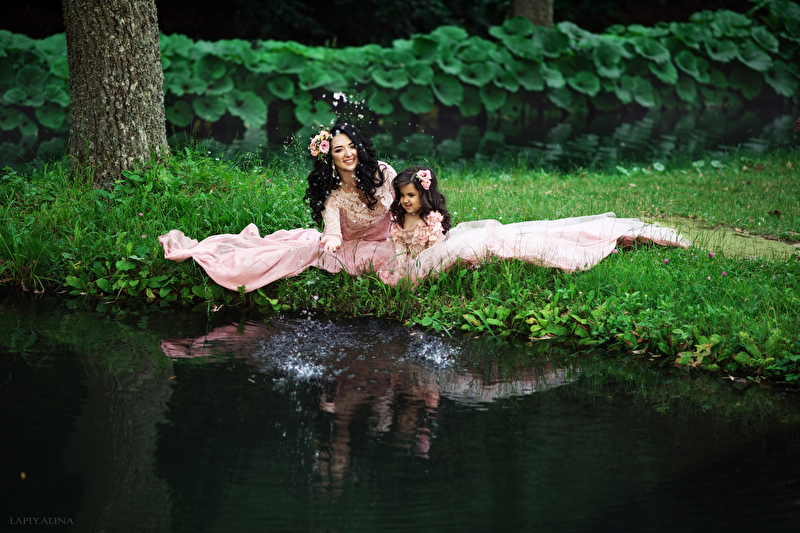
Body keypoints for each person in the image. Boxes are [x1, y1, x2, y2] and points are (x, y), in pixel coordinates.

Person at [158, 123, 397, 292]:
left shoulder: (383, 172)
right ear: (330, 158)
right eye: (338, 149)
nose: (348, 154)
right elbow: (333, 229)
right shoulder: (332, 194)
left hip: (391, 238)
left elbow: (404, 206)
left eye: (352, 146)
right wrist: (332, 238)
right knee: (292, 255)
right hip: (352, 245)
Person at [377, 166, 690, 286]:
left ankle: (602, 239)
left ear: (424, 195)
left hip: (439, 253)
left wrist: (418, 268)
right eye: (402, 196)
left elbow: (434, 249)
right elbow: (400, 245)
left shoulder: (431, 219)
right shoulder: (400, 219)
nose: (406, 201)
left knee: (506, 239)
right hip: (418, 260)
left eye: (411, 196)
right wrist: (401, 261)